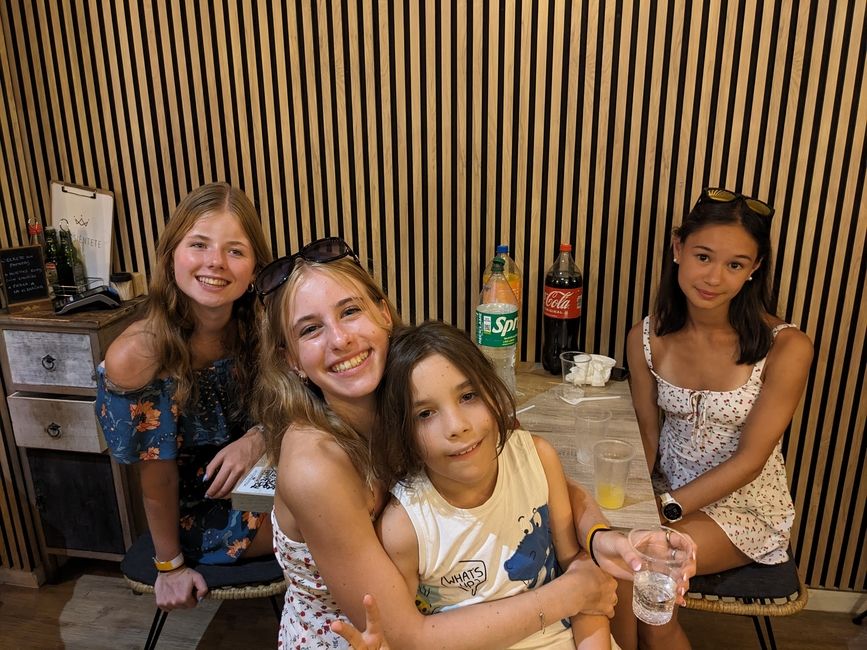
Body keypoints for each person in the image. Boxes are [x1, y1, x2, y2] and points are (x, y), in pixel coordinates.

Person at [251, 236, 629, 649]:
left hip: (456, 617)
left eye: (351, 311)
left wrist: (596, 534)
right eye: (310, 329)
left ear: (383, 313)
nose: (340, 339)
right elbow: (408, 636)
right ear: (291, 360)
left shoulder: (414, 385)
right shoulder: (315, 466)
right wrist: (570, 594)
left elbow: (534, 473)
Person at [625, 187, 813, 648]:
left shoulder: (787, 347)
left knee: (639, 564)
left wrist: (667, 508)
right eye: (703, 256)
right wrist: (626, 504)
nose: (714, 278)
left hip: (744, 511)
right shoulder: (646, 337)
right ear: (677, 249)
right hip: (663, 497)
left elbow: (750, 460)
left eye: (735, 264)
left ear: (755, 270)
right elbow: (646, 435)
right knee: (601, 554)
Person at [373, 320, 612, 649]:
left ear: (493, 392)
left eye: (468, 396)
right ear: (403, 434)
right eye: (425, 414)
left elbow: (581, 575)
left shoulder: (538, 459)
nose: (456, 426)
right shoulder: (405, 526)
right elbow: (404, 635)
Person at [95, 183, 275, 610]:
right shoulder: (138, 354)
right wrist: (170, 566)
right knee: (331, 514)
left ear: (254, 267)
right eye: (199, 244)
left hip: (264, 475)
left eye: (235, 250)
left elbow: (294, 406)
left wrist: (257, 438)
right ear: (172, 253)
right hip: (203, 508)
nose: (216, 262)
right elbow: (158, 479)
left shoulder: (261, 325)